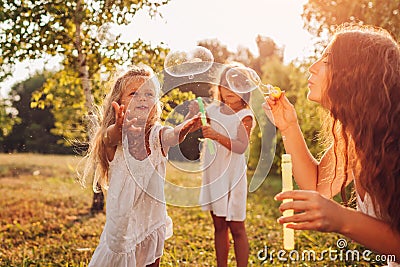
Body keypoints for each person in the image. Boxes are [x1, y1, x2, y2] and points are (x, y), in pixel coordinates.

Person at [263, 24, 400, 264]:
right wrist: (288, 126)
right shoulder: (356, 136)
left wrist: (343, 220)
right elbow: (318, 186)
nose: (312, 68)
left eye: (326, 60)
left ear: (358, 74)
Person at [81, 65, 200, 267]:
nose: (142, 98)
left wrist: (187, 125)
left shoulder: (157, 135)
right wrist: (120, 126)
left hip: (152, 218)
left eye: (149, 93)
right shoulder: (115, 137)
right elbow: (109, 137)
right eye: (134, 93)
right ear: (119, 102)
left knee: (152, 261)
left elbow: (173, 135)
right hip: (123, 224)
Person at [186, 63, 255, 267]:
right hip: (215, 174)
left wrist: (216, 135)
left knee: (236, 226)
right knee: (219, 226)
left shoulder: (245, 115)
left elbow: (241, 146)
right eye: (226, 84)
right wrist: (191, 115)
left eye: (236, 85)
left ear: (245, 88)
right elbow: (190, 130)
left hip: (232, 176)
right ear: (219, 87)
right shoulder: (212, 110)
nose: (230, 90)